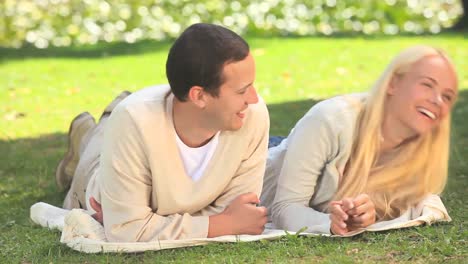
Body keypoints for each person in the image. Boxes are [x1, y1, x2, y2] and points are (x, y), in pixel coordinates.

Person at [56, 23, 269, 242]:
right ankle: (88, 133)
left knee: (122, 121)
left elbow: (241, 213)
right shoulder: (134, 121)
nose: (253, 99)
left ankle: (105, 121)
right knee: (104, 139)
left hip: (141, 123)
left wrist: (147, 222)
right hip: (97, 175)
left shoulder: (251, 114)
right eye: (242, 90)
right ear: (199, 96)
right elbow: (127, 231)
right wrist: (221, 224)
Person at [260, 45, 458, 235]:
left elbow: (423, 202)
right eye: (427, 85)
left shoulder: (423, 151)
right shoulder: (330, 120)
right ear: (393, 84)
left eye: (447, 97)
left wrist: (365, 214)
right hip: (262, 157)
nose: (437, 100)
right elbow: (284, 208)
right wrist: (329, 222)